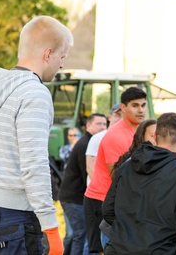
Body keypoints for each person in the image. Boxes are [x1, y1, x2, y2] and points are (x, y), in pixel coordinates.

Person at [0, 15, 73, 255]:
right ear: (48, 54)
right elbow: (34, 165)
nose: (61, 65)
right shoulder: (34, 94)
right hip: (14, 218)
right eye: (62, 57)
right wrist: (51, 227)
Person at [102, 112, 176, 254]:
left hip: (120, 248)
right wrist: (173, 238)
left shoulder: (126, 166)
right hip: (161, 249)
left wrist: (127, 233)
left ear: (156, 136)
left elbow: (108, 209)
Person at [83, 87, 147, 254]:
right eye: (135, 105)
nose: (141, 110)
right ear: (122, 108)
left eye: (143, 105)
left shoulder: (139, 131)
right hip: (102, 201)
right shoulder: (115, 136)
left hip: (121, 201)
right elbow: (118, 176)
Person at [58, 113, 107, 255]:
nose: (102, 127)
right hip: (74, 198)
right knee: (81, 234)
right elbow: (87, 174)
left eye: (104, 124)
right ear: (88, 125)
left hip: (74, 197)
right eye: (98, 124)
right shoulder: (86, 144)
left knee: (74, 234)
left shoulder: (90, 142)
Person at [86, 104, 122, 182]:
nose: (120, 119)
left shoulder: (127, 138)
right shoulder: (98, 138)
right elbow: (90, 167)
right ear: (109, 117)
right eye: (117, 115)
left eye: (123, 116)